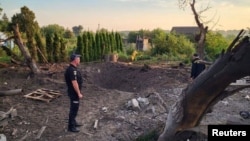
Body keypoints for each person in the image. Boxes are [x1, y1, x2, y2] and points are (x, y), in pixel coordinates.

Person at [64, 54, 83, 132]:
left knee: (75, 108)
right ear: (75, 59)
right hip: (74, 93)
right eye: (78, 58)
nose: (79, 60)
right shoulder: (72, 70)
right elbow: (74, 83)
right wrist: (78, 93)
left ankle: (74, 122)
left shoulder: (73, 69)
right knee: (74, 109)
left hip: (74, 93)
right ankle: (71, 127)